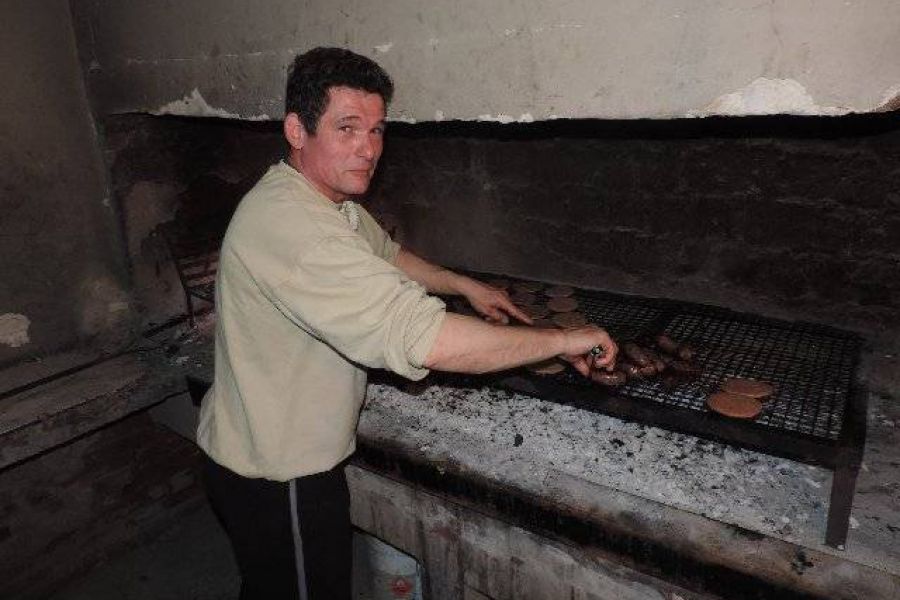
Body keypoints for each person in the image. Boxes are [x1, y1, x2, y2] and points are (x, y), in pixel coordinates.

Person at [197, 46, 618, 600]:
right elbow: (428, 339)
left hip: (258, 445)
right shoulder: (294, 228)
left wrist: (465, 285)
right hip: (278, 472)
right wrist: (562, 339)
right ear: (297, 129)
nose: (368, 149)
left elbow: (388, 253)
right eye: (347, 129)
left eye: (376, 130)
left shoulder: (321, 199)